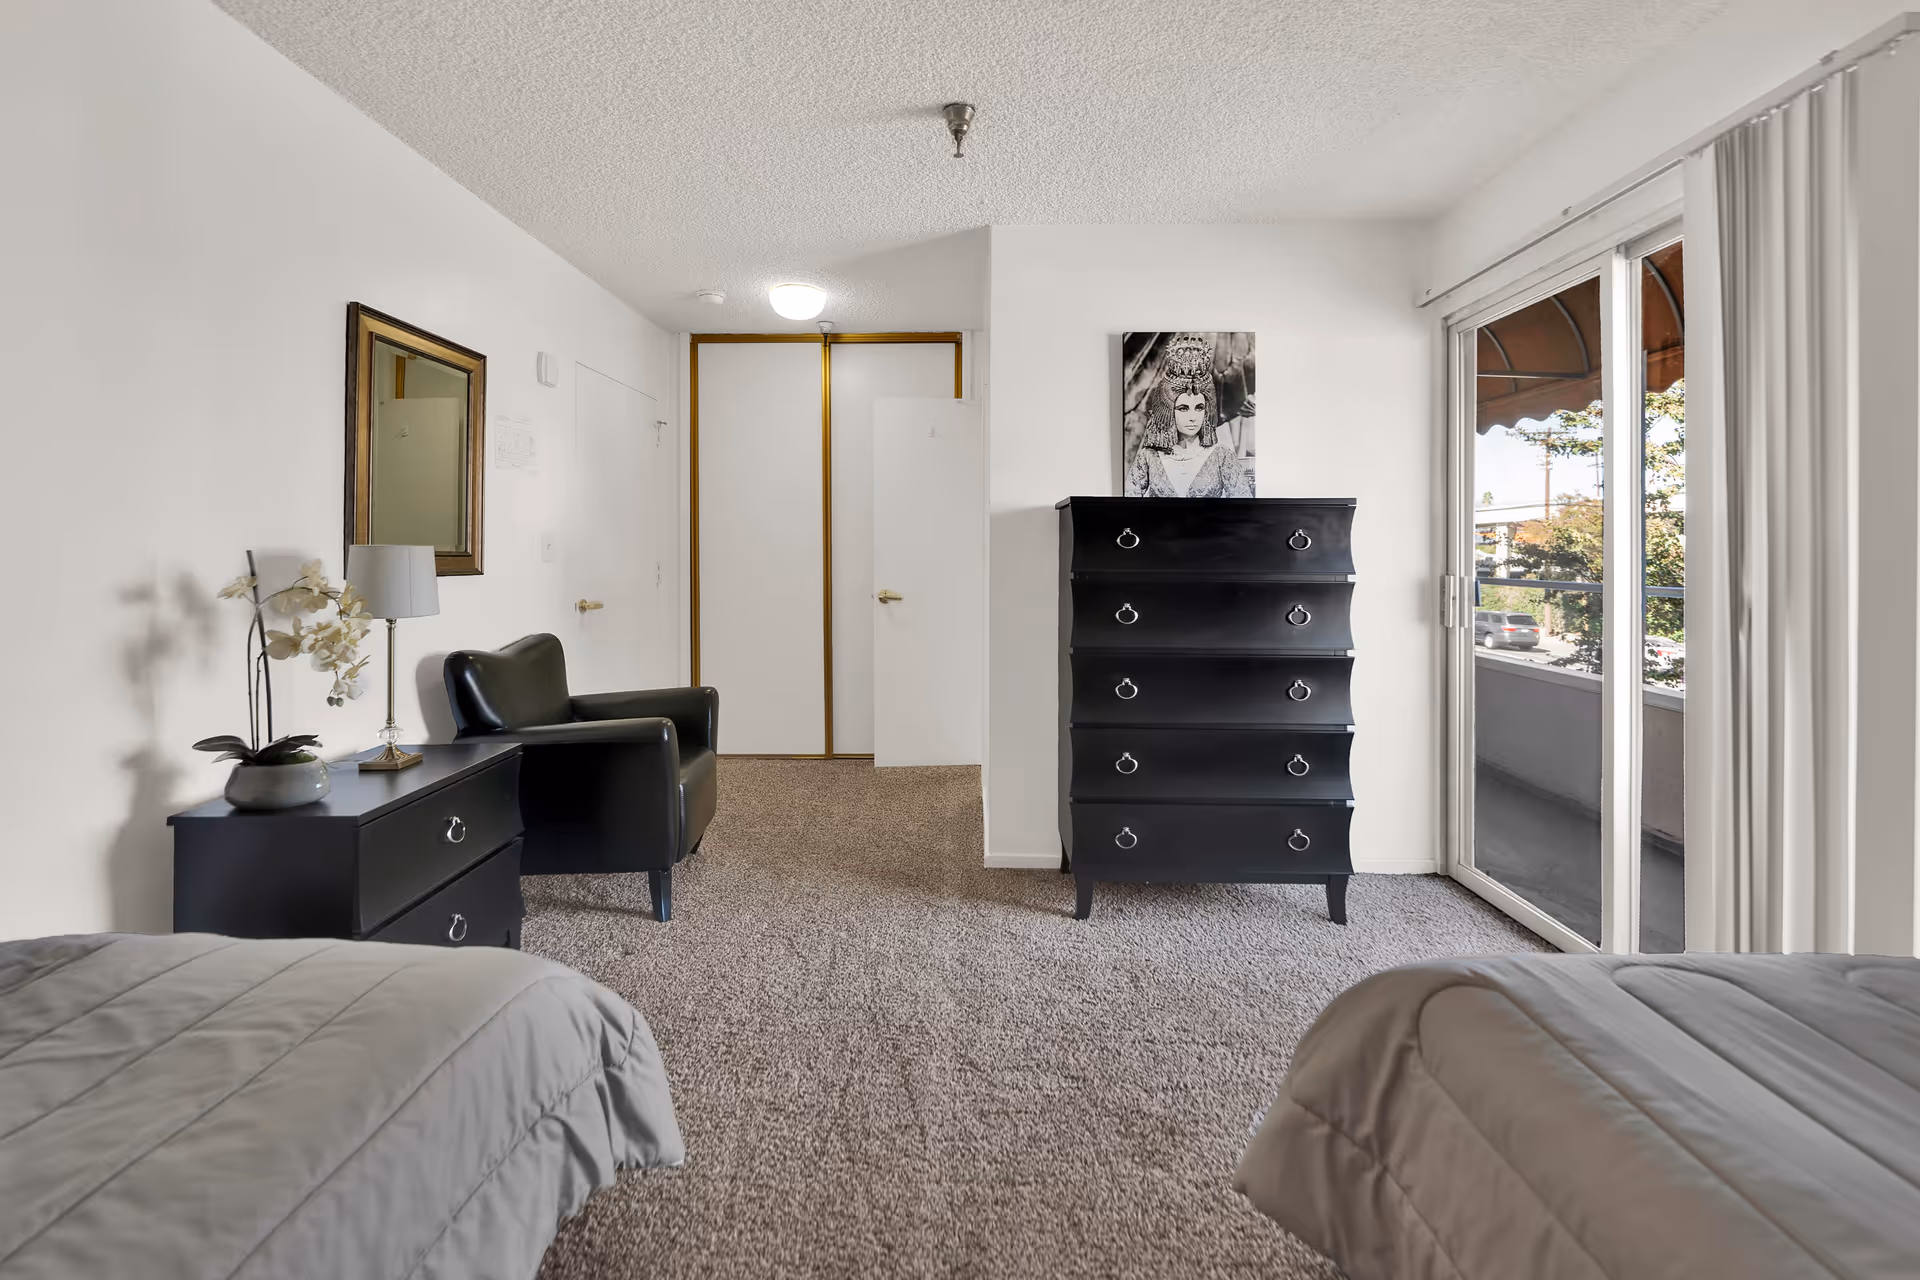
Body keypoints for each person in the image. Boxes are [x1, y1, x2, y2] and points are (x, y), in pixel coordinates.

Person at [1125, 337, 1253, 497]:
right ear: (1169, 411)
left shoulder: (1222, 456)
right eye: (1183, 408)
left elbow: (1244, 510)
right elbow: (1128, 509)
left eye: (1199, 408)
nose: (1193, 417)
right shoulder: (1149, 457)